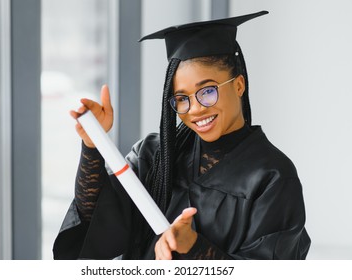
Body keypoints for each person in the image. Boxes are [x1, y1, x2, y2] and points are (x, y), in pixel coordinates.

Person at [53, 10, 311, 260]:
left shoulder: (272, 177)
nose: (196, 109)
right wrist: (93, 144)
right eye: (181, 98)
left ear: (239, 84)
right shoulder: (153, 155)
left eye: (208, 91)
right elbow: (95, 216)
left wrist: (194, 247)